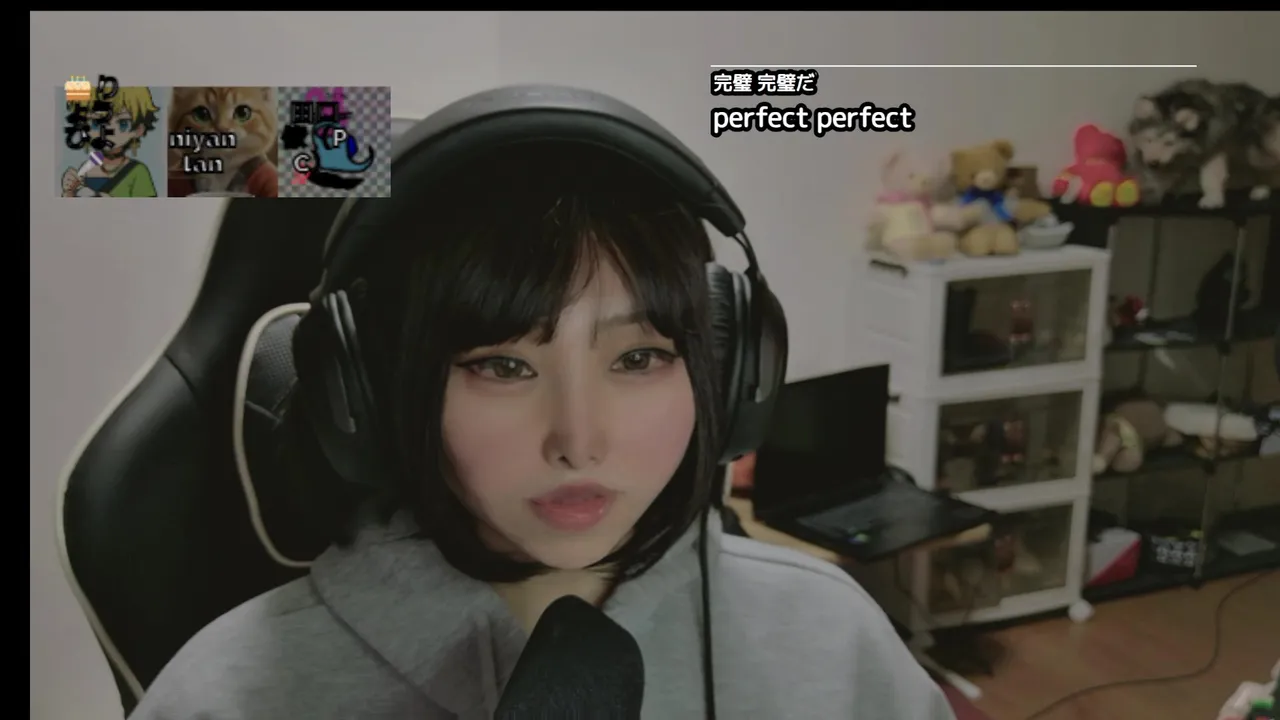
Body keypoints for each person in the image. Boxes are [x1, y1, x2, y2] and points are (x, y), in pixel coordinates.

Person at [129, 97, 955, 720]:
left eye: (638, 358)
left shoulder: (833, 642)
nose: (579, 443)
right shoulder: (227, 695)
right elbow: (116, 133)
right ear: (375, 395)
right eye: (503, 365)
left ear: (730, 372)